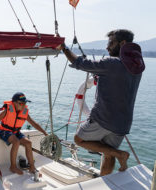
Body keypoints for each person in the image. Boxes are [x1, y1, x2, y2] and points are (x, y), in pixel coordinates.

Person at [59, 29, 145, 176]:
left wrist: (64, 47)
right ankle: (105, 180)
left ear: (123, 43)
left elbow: (78, 62)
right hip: (123, 122)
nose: (107, 47)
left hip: (103, 118)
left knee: (79, 139)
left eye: (111, 43)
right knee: (108, 153)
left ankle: (121, 154)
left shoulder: (111, 63)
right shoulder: (136, 67)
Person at [0, 92, 48, 175]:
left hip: (16, 132)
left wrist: (44, 132)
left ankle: (32, 167)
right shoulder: (7, 110)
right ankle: (13, 166)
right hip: (4, 131)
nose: (23, 105)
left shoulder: (24, 112)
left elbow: (33, 123)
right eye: (20, 103)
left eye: (24, 103)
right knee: (16, 142)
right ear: (14, 103)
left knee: (28, 143)